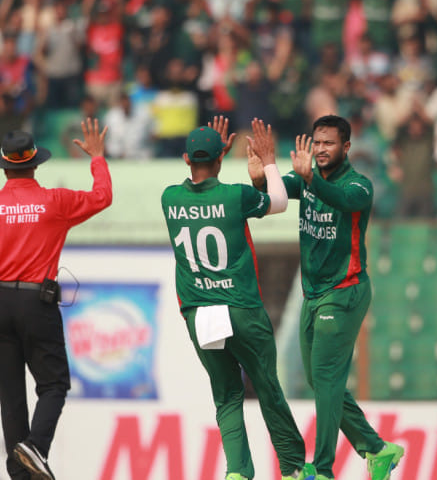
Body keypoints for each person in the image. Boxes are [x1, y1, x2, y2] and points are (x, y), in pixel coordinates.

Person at [0, 119, 112, 479]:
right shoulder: (55, 201)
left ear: (4, 166)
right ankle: (36, 447)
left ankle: (20, 475)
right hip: (37, 303)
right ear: (36, 163)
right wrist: (97, 158)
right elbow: (102, 197)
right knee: (54, 385)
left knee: (11, 397)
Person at [251, 115, 405, 480]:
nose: (320, 150)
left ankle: (323, 470)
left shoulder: (359, 185)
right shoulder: (307, 178)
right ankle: (377, 449)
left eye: (329, 143)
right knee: (321, 381)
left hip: (344, 291)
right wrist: (261, 174)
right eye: (316, 142)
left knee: (325, 377)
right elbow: (272, 194)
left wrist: (310, 180)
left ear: (346, 147)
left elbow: (340, 199)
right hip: (314, 293)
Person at [161, 117, 306, 480]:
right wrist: (269, 161)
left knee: (226, 396)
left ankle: (238, 473)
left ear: (185, 159)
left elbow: (201, 189)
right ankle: (292, 469)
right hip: (241, 308)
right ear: (221, 158)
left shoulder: (169, 198)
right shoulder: (236, 195)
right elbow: (279, 201)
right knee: (268, 388)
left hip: (199, 312)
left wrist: (215, 155)